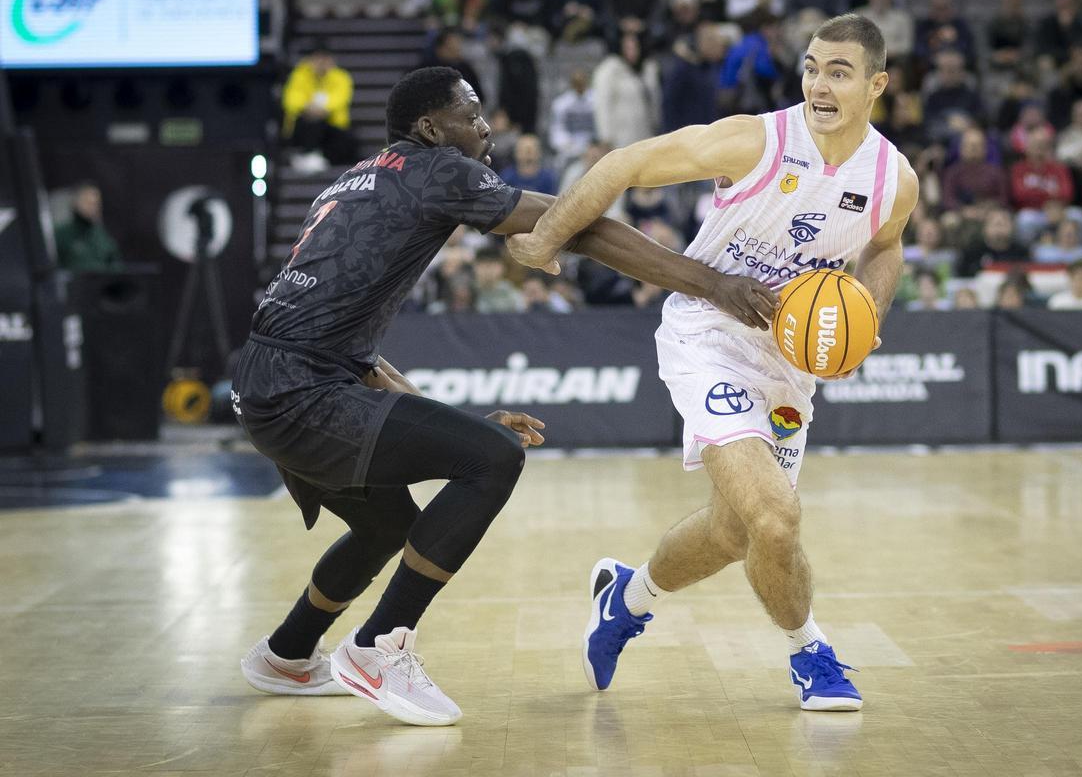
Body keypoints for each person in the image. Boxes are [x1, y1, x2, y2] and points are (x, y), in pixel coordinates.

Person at [233, 67, 776, 727]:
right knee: (493, 459)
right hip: (304, 393)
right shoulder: (440, 169)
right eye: (472, 116)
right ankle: (380, 646)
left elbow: (340, 341)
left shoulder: (359, 178)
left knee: (388, 524)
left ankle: (287, 654)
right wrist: (712, 285)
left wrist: (444, 420)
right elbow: (580, 225)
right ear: (431, 129)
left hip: (267, 383)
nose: (486, 127)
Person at [507, 14, 918, 712]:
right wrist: (546, 236)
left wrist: (869, 313)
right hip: (709, 335)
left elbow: (885, 247)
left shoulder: (892, 177)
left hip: (787, 360)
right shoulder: (756, 140)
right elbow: (624, 164)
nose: (818, 83)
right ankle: (811, 654)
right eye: (812, 67)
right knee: (776, 518)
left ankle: (625, 598)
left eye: (839, 72)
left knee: (735, 533)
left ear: (877, 84)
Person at [282, 44, 357, 170]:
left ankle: (322, 158)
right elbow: (290, 99)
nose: (321, 62)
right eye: (317, 58)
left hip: (332, 125)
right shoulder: (299, 75)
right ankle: (308, 155)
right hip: (305, 123)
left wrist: (322, 108)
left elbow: (341, 98)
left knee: (345, 139)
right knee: (310, 123)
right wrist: (306, 107)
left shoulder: (341, 77)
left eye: (325, 58)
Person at [54, 183, 121, 272]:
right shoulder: (61, 233)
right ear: (75, 202)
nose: (93, 207)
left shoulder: (102, 235)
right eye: (88, 202)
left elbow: (116, 266)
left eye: (96, 203)